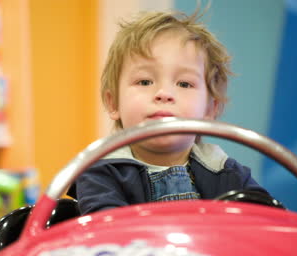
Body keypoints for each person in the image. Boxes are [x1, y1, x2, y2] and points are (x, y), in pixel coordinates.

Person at [75, 9, 270, 215]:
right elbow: (106, 233)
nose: (164, 93)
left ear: (209, 109)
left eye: (184, 84)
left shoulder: (226, 172)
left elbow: (271, 222)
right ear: (113, 103)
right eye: (145, 81)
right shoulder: (100, 174)